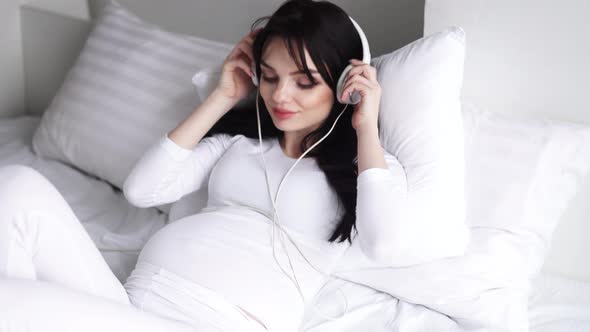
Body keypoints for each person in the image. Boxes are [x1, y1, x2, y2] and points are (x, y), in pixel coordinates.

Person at [0, 0, 403, 331]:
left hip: (213, 322)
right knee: (18, 185)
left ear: (343, 86)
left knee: (11, 300)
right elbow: (142, 191)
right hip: (129, 306)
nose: (280, 95)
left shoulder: (366, 169)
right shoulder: (238, 144)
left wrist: (365, 124)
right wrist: (224, 95)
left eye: (305, 82)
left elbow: (382, 243)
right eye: (268, 76)